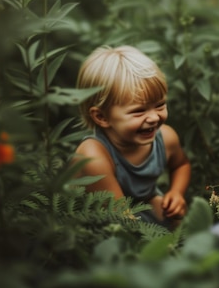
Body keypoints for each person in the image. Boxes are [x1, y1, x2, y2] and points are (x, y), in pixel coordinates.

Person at [73, 45, 191, 228]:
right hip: (104, 220)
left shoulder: (166, 137)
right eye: (138, 111)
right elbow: (122, 220)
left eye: (159, 105)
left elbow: (181, 164)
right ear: (102, 117)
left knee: (177, 220)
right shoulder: (94, 157)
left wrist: (176, 193)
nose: (153, 117)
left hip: (141, 203)